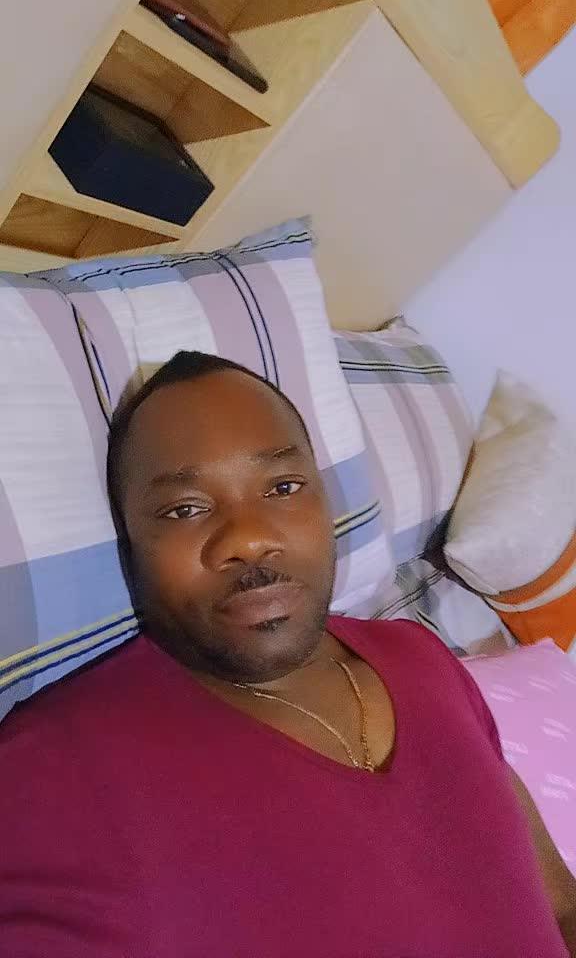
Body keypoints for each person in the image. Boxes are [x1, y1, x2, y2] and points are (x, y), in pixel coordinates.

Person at [0, 350, 575, 958]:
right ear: (131, 545)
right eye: (185, 509)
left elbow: (560, 905)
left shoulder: (422, 655)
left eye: (283, 487)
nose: (249, 539)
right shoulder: (50, 769)